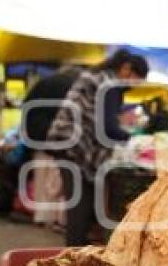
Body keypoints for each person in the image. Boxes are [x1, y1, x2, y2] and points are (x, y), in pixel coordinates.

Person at [45, 50, 148, 246]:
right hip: (74, 147)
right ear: (126, 69)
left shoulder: (99, 78)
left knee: (84, 207)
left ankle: (78, 256)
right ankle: (74, 261)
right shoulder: (110, 83)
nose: (134, 86)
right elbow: (108, 128)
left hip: (68, 144)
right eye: (137, 80)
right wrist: (136, 137)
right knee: (80, 211)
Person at [20, 66, 82, 229]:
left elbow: (26, 103)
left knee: (41, 178)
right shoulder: (75, 87)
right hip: (58, 137)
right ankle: (58, 219)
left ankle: (41, 216)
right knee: (57, 180)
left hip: (36, 135)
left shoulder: (44, 82)